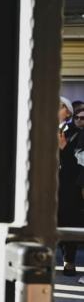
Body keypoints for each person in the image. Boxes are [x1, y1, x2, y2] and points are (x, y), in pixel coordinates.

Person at [59, 102, 84, 276]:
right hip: (61, 185)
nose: (80, 120)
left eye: (83, 118)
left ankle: (70, 261)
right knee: (60, 221)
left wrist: (65, 149)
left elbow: (77, 163)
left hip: (76, 186)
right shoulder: (66, 132)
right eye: (78, 117)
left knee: (72, 222)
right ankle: (66, 259)